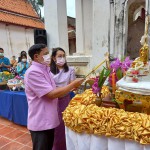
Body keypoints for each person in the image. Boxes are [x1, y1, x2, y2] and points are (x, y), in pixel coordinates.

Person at [24, 44, 83, 150]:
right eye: (45, 54)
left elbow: (55, 89)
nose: (48, 56)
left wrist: (70, 87)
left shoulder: (45, 70)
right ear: (36, 56)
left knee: (50, 145)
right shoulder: (33, 72)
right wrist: (72, 85)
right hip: (41, 121)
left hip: (49, 118)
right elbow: (51, 94)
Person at [50, 47, 76, 150]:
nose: (62, 58)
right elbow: (50, 89)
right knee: (56, 126)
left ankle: (67, 146)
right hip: (53, 101)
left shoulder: (70, 69)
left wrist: (74, 86)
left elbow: (72, 85)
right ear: (53, 58)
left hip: (66, 100)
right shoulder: (49, 71)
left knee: (65, 124)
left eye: (63, 56)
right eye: (59, 56)